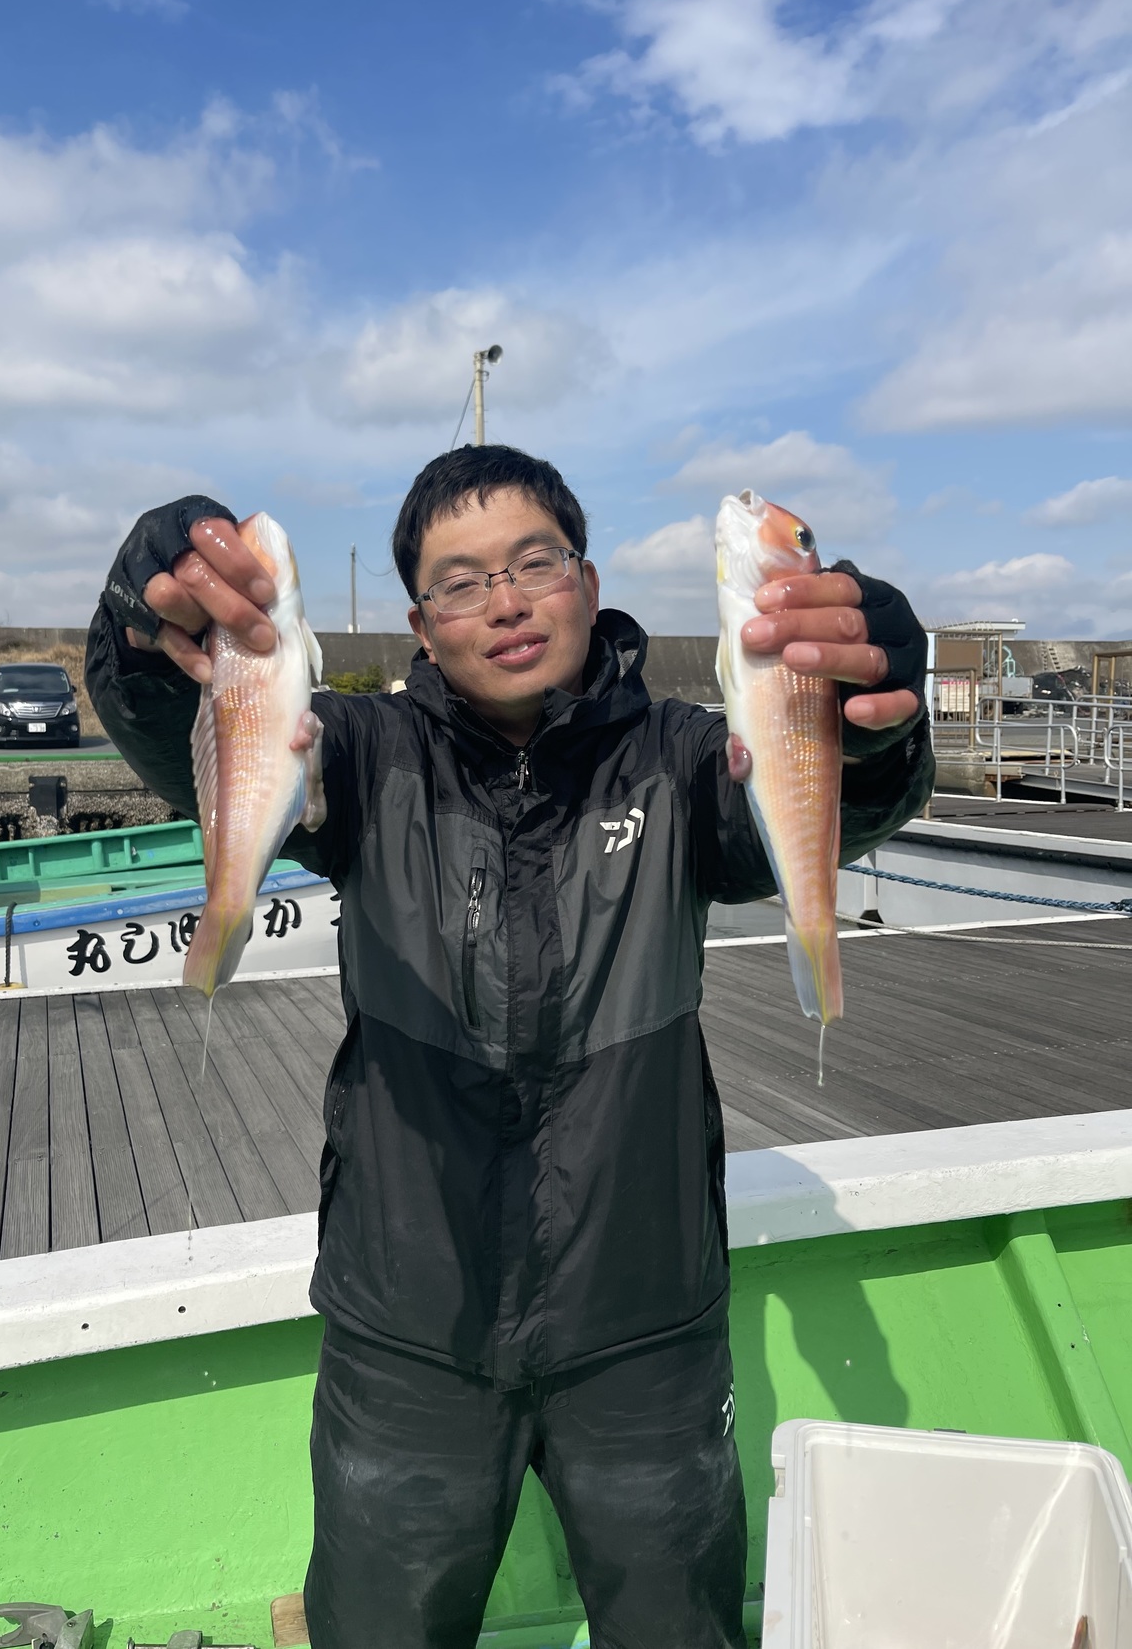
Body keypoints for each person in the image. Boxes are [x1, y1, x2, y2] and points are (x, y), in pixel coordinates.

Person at [85, 445, 934, 1649]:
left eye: (534, 562)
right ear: (420, 629)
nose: (504, 601)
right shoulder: (358, 755)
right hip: (405, 1328)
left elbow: (812, 807)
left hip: (646, 1325)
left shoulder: (686, 758)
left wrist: (874, 724)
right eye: (458, 581)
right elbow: (199, 732)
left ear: (587, 583)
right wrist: (143, 625)